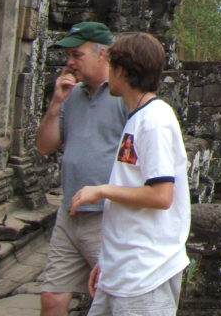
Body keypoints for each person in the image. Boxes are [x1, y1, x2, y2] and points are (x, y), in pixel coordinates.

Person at [69, 32, 190, 316]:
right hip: (122, 268)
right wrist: (108, 260)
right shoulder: (137, 116)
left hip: (146, 272)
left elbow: (161, 195)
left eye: (111, 68)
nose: (108, 75)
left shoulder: (155, 121)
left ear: (121, 71)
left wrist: (100, 190)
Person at [36, 22, 127, 316]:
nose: (70, 63)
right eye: (69, 56)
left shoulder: (124, 97)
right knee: (52, 297)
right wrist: (56, 103)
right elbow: (45, 146)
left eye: (77, 55)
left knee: (111, 298)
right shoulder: (71, 95)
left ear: (103, 55)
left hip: (106, 216)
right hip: (69, 212)